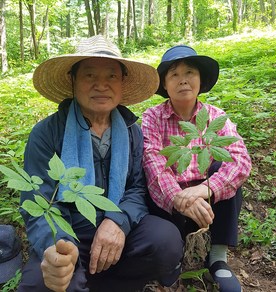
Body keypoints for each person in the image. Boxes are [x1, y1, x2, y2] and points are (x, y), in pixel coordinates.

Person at [18, 35, 184, 292]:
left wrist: (117, 221)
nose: (101, 85)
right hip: (69, 232)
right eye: (89, 76)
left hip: (118, 232)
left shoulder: (131, 131)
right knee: (42, 283)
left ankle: (111, 282)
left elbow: (137, 188)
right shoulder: (47, 133)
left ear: (122, 83)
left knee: (165, 240)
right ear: (73, 80)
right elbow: (37, 202)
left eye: (111, 77)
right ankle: (79, 273)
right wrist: (57, 245)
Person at [141, 45, 252, 292]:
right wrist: (180, 198)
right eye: (174, 75)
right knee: (150, 183)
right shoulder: (152, 117)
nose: (183, 80)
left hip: (209, 204)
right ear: (165, 85)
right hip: (170, 203)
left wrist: (204, 189)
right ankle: (173, 257)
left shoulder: (215, 116)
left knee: (224, 168)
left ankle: (218, 258)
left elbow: (240, 161)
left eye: (190, 72)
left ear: (200, 80)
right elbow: (152, 161)